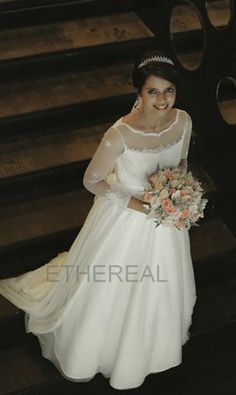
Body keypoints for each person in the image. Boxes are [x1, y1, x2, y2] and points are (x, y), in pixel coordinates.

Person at [0, 50, 197, 390]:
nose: (163, 99)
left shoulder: (183, 121)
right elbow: (92, 181)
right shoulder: (120, 133)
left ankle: (152, 345)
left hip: (167, 221)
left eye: (169, 91)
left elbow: (180, 162)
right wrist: (144, 205)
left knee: (163, 285)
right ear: (139, 93)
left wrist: (178, 192)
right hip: (128, 219)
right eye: (153, 91)